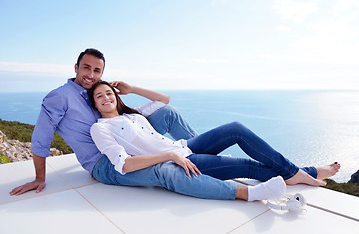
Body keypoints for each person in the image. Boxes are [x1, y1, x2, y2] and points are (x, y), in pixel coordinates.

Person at [87, 80, 341, 201]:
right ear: (94, 104)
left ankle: (294, 172)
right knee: (246, 167)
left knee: (235, 128)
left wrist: (132, 89)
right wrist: (170, 156)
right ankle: (305, 172)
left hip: (185, 147)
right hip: (183, 160)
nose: (107, 98)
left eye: (109, 93)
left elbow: (165, 100)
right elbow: (124, 165)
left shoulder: (134, 114)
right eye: (100, 96)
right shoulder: (100, 128)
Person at [9, 48, 197, 196]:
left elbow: (146, 108)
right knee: (165, 172)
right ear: (76, 67)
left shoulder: (99, 92)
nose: (91, 75)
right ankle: (201, 164)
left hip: (127, 142)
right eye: (86, 68)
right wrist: (39, 177)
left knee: (167, 113)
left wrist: (130, 89)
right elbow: (41, 137)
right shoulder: (59, 96)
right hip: (105, 161)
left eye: (97, 70)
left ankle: (199, 154)